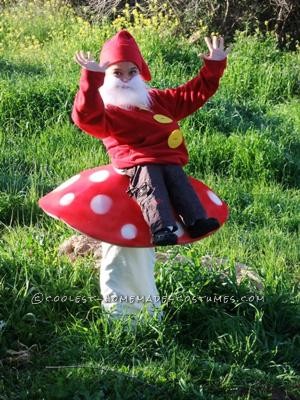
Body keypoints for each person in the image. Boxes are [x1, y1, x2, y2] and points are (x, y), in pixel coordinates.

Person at [72, 30, 230, 246]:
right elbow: (86, 117)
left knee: (177, 178)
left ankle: (196, 220)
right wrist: (90, 79)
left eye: (132, 72)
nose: (126, 79)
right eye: (117, 73)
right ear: (106, 75)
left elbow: (191, 94)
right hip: (136, 161)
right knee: (150, 179)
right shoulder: (108, 109)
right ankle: (161, 228)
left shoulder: (155, 99)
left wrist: (213, 67)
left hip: (167, 158)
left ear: (140, 73)